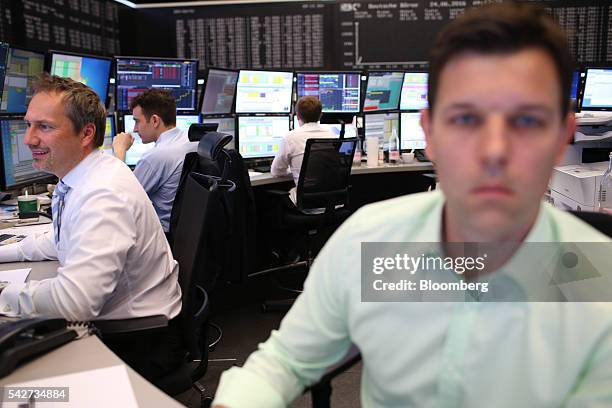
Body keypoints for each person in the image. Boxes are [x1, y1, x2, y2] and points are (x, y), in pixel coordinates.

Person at [212, 4, 612, 407]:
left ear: (563, 137)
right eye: (466, 119)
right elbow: (284, 362)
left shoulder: (599, 287)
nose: (494, 152)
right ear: (430, 133)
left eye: (526, 121)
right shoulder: (373, 246)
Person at [0, 74, 184, 382]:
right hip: (124, 323)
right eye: (28, 124)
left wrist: (4, 294)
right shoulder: (83, 175)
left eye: (44, 127)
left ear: (86, 133)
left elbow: (75, 302)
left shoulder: (102, 193)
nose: (29, 139)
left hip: (137, 341)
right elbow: (58, 240)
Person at [113, 88, 195, 234]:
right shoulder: (190, 142)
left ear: (155, 120)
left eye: (137, 121)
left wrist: (120, 151)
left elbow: (119, 200)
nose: (135, 129)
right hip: (188, 235)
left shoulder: (156, 157)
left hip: (164, 237)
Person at [271, 96, 336, 204]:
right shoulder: (333, 137)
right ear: (320, 115)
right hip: (332, 203)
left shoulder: (290, 138)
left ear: (297, 116)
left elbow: (276, 171)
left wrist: (295, 170)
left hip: (306, 203)